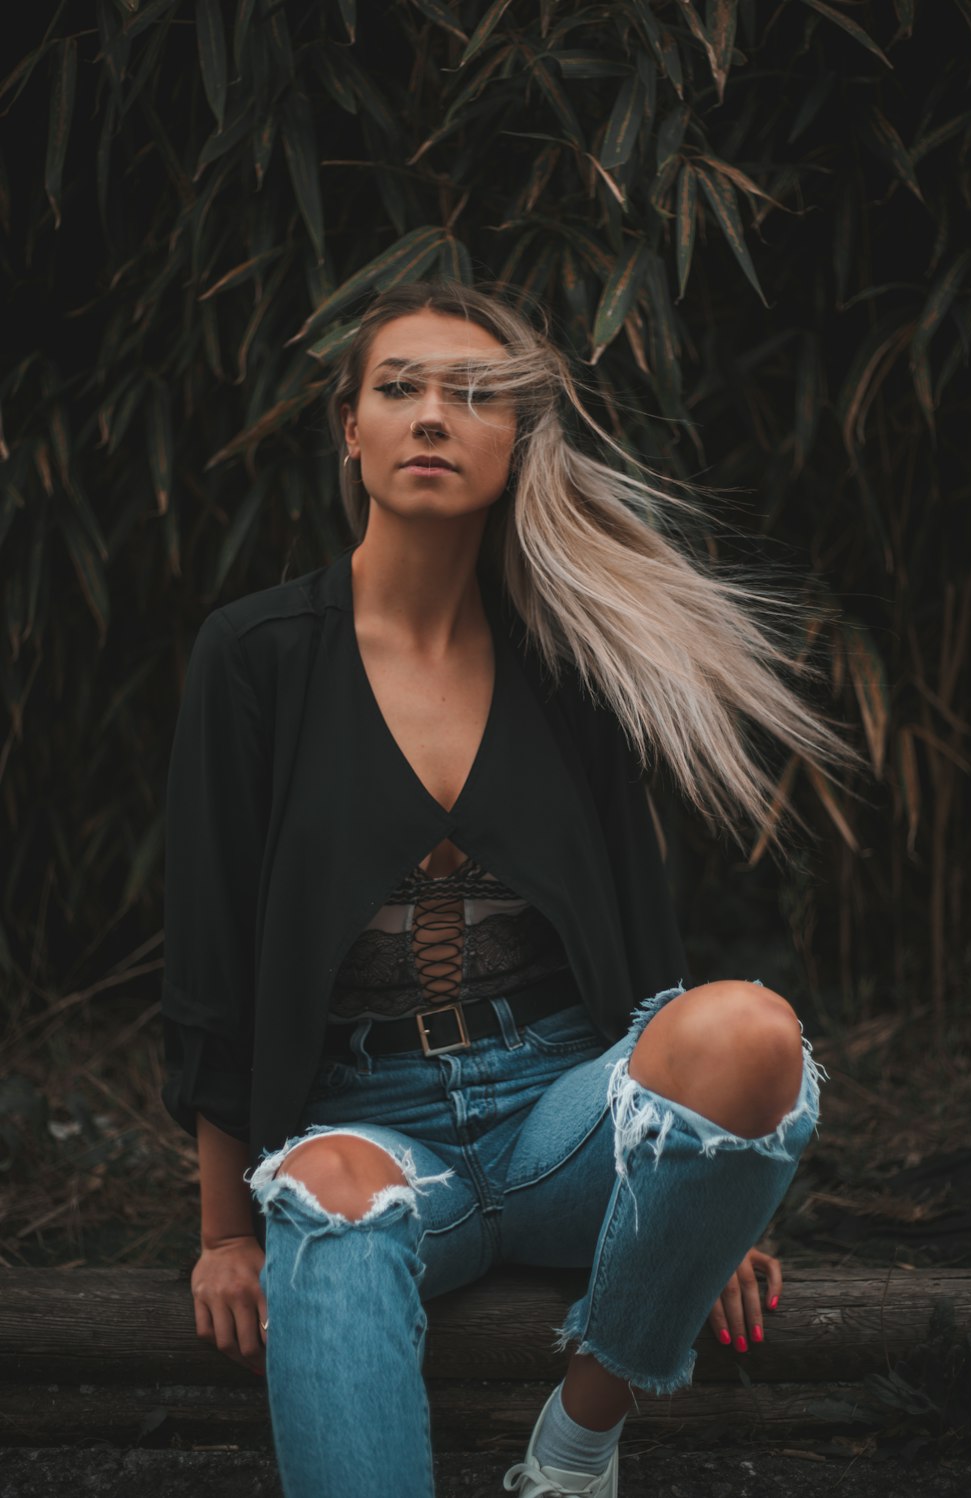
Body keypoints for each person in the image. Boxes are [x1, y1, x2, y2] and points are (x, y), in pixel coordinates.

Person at [160, 281, 850, 1498]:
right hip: (362, 1118)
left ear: (517, 441)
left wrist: (709, 1215)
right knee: (325, 1199)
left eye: (474, 395)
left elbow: (640, 927)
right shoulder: (255, 654)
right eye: (401, 388)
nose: (433, 415)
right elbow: (213, 954)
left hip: (557, 1117)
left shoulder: (572, 657)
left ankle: (576, 1445)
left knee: (750, 1028)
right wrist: (224, 1232)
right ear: (349, 429)